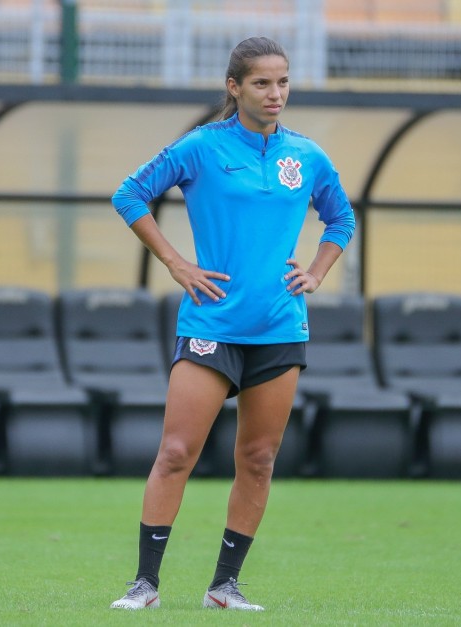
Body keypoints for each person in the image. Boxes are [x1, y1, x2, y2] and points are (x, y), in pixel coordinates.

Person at [108, 36, 355, 611]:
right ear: (234, 87)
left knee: (259, 459)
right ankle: (144, 585)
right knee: (175, 452)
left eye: (283, 82)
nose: (276, 93)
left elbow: (341, 217)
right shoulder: (201, 148)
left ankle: (225, 587)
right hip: (211, 324)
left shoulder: (308, 156)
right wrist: (176, 262)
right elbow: (129, 194)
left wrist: (317, 272)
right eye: (263, 83)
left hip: (280, 328)